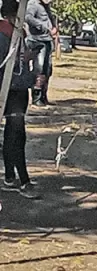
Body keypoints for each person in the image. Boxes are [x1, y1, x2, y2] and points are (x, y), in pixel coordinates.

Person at [0, 0, 38, 199]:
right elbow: (5, 69)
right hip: (11, 92)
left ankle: (9, 176)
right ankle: (24, 180)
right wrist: (29, 79)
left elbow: (16, 63)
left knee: (11, 135)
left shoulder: (17, 34)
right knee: (17, 135)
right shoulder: (4, 34)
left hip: (18, 90)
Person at [24, 0, 55, 107]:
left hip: (47, 41)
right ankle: (36, 97)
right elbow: (28, 18)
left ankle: (43, 95)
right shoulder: (33, 5)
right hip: (37, 41)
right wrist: (44, 27)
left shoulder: (45, 6)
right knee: (39, 68)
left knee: (47, 69)